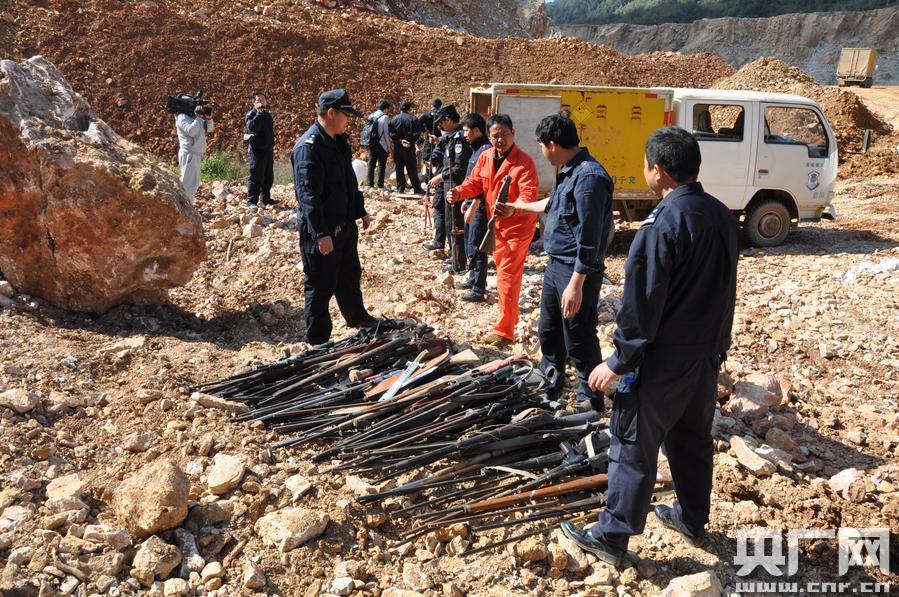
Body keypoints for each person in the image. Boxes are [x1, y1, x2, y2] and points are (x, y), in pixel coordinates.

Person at [559, 127, 739, 568]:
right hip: (705, 356)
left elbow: (642, 304)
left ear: (658, 171)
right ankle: (692, 518)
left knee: (633, 444)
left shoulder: (661, 226)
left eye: (645, 164)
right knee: (692, 441)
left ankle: (612, 535)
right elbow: (725, 289)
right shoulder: (721, 214)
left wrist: (619, 360)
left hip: (663, 361)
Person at [498, 113, 613, 406]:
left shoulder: (589, 178)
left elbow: (590, 238)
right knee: (549, 329)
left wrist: (576, 284)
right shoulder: (570, 171)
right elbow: (552, 204)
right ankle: (551, 377)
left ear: (552, 144)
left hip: (575, 269)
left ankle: (590, 396)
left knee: (578, 333)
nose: (541, 151)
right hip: (556, 265)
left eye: (541, 145)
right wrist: (517, 207)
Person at [291, 89, 379, 345]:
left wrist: (359, 210)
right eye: (345, 115)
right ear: (331, 113)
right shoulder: (308, 148)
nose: (348, 120)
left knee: (349, 276)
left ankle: (358, 318)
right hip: (323, 231)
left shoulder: (339, 142)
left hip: (344, 225)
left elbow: (349, 182)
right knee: (320, 286)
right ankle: (317, 340)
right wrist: (320, 233)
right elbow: (308, 196)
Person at [449, 114, 539, 346]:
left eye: (504, 135)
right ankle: (511, 317)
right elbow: (475, 183)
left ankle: (504, 331)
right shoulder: (486, 157)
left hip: (518, 227)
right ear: (488, 137)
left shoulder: (524, 163)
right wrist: (459, 192)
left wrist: (513, 209)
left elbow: (528, 196)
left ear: (513, 133)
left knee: (506, 276)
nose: (500, 140)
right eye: (495, 136)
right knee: (506, 274)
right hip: (497, 226)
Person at [427, 105, 471, 274]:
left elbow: (459, 167)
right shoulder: (452, 137)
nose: (440, 126)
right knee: (449, 222)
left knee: (455, 223)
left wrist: (441, 176)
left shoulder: (459, 139)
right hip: (449, 184)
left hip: (455, 185)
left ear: (449, 120)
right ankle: (454, 257)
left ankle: (458, 263)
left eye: (441, 122)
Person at [456, 112, 491, 302]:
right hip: (472, 204)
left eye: (466, 131)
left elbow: (484, 184)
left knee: (478, 247)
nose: (464, 135)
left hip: (480, 207)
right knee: (471, 244)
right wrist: (466, 200)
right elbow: (472, 179)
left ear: (477, 131)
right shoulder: (477, 149)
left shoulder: (485, 150)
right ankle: (472, 279)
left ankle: (478, 288)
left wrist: (474, 204)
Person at [244, 91, 278, 207]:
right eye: (258, 100)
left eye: (263, 100)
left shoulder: (268, 115)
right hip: (257, 151)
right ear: (253, 102)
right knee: (256, 176)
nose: (261, 102)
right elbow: (252, 128)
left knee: (268, 177)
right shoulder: (251, 115)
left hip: (267, 150)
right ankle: (251, 201)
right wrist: (258, 113)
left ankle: (266, 198)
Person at [175, 103, 213, 202]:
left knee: (192, 184)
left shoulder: (194, 118)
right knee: (188, 185)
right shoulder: (182, 117)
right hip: (189, 153)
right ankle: (185, 207)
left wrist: (208, 119)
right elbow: (191, 131)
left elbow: (209, 129)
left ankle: (186, 206)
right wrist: (199, 118)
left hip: (195, 153)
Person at [422, 131, 449, 252]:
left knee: (440, 211)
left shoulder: (444, 140)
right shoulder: (453, 139)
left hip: (443, 182)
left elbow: (430, 161)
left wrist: (430, 146)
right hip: (448, 181)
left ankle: (439, 243)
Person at [391, 101, 422, 194]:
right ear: (409, 109)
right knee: (412, 169)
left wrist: (400, 141)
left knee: (399, 169)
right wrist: (410, 142)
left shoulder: (394, 119)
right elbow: (417, 134)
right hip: (409, 149)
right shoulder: (414, 119)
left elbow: (391, 134)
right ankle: (417, 189)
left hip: (398, 148)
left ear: (399, 109)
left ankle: (400, 188)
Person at [365, 99, 391, 189]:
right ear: (385, 108)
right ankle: (380, 185)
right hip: (382, 144)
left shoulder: (371, 115)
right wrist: (389, 147)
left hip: (371, 143)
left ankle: (370, 184)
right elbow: (386, 134)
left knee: (371, 164)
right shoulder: (385, 117)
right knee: (381, 165)